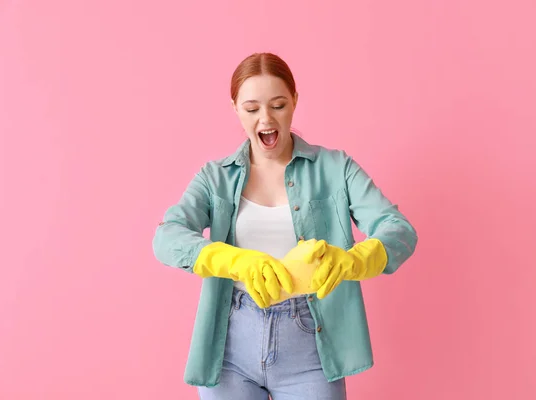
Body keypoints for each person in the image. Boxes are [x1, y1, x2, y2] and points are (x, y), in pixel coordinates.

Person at [152, 52, 418, 399]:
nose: (266, 118)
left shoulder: (337, 168)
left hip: (310, 345)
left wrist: (354, 261)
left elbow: (398, 229)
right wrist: (234, 260)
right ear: (235, 108)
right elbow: (166, 237)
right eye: (252, 109)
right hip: (230, 347)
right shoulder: (213, 178)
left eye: (278, 105)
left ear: (294, 100)